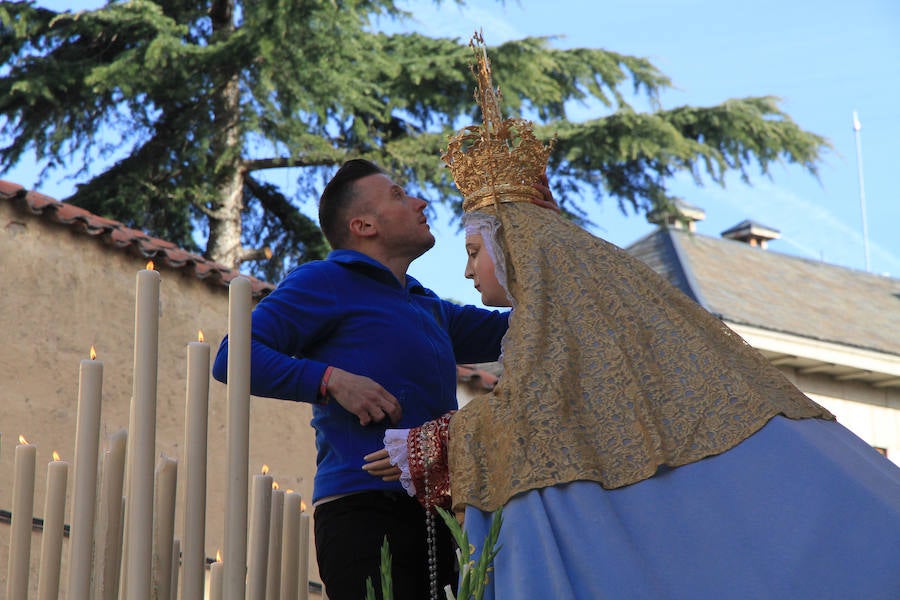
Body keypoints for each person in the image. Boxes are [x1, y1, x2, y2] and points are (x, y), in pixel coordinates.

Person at [364, 37, 900, 599]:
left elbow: (535, 428)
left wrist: (434, 444)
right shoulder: (554, 328)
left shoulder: (560, 332)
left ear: (516, 249)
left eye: (474, 251)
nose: (469, 271)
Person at [211, 158, 555, 600]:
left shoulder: (425, 304)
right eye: (398, 194)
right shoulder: (324, 279)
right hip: (364, 513)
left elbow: (528, 325)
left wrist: (543, 232)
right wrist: (331, 379)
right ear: (363, 225)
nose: (420, 201)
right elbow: (232, 356)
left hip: (439, 515)